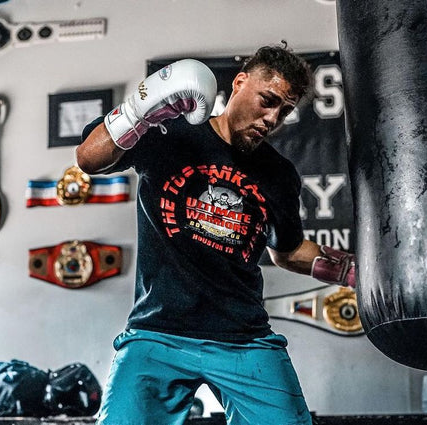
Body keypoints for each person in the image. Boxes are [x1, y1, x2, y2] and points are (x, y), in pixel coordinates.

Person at [76, 43, 355, 425]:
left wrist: (356, 270)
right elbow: (88, 159)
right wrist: (140, 111)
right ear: (240, 83)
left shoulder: (278, 174)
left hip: (244, 337)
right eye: (267, 100)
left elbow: (287, 252)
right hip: (158, 332)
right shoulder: (169, 133)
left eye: (285, 110)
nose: (272, 118)